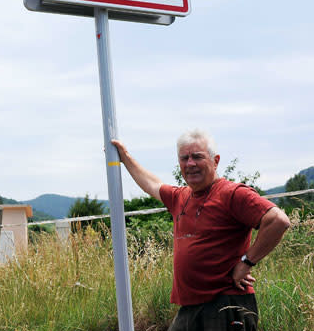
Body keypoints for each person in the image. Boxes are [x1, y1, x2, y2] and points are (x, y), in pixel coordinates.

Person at [111, 129, 290, 331]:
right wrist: (125, 158)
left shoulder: (231, 193)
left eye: (197, 157)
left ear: (215, 161)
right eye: (184, 158)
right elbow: (152, 184)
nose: (190, 164)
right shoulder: (180, 197)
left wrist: (246, 262)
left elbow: (278, 220)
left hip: (225, 305)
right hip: (190, 308)